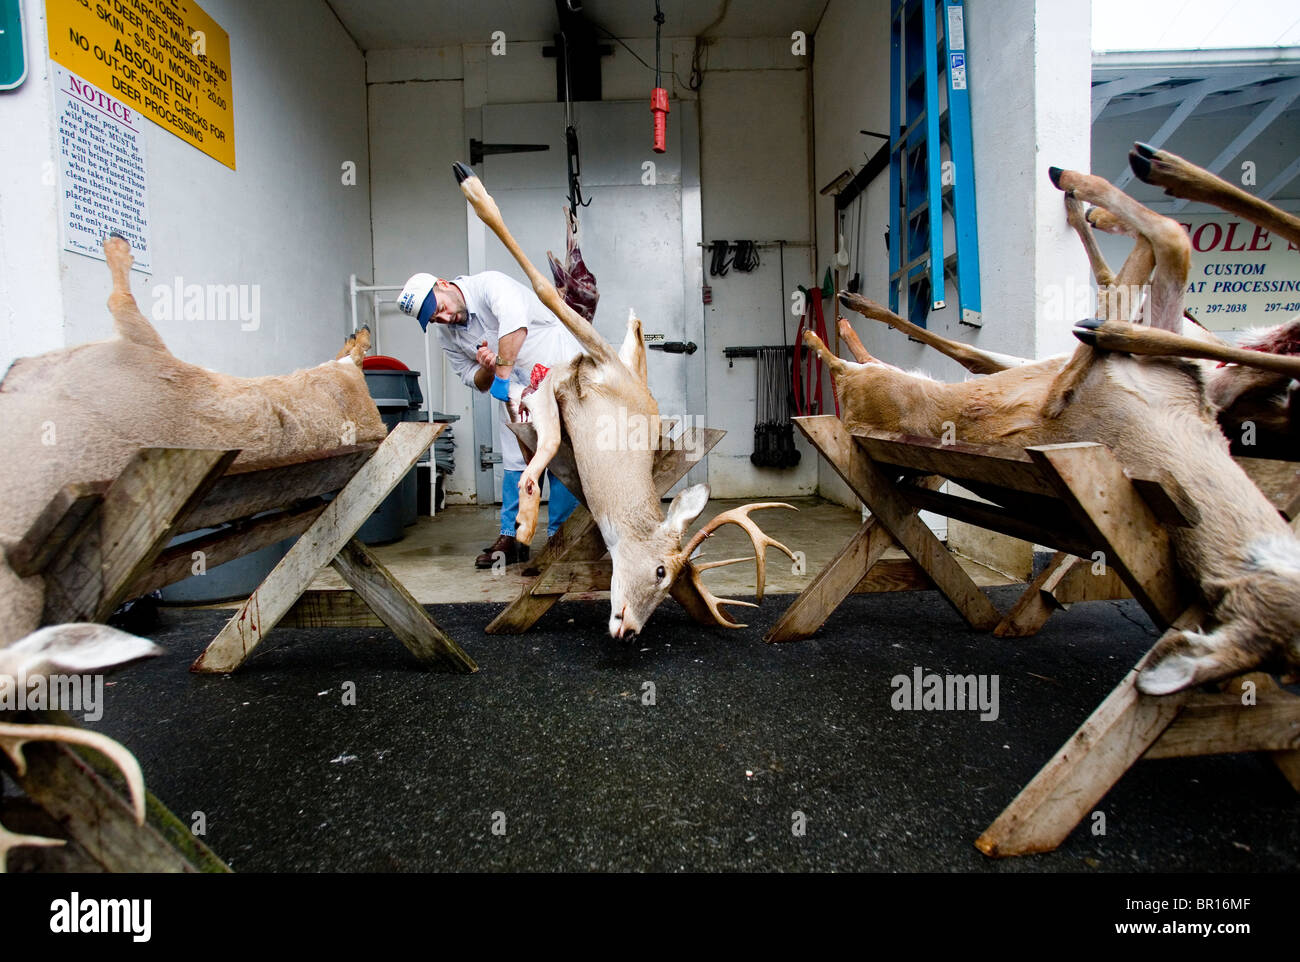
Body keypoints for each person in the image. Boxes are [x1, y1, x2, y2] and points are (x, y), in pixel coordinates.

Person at [398, 270, 581, 568]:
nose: (442, 319)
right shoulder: (447, 334)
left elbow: (516, 328)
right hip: (513, 388)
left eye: (439, 309)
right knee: (514, 461)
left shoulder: (490, 285)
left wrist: (500, 372)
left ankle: (559, 539)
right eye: (433, 319)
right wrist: (489, 368)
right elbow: (475, 379)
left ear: (443, 285)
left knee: (560, 458)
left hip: (556, 372)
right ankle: (513, 537)